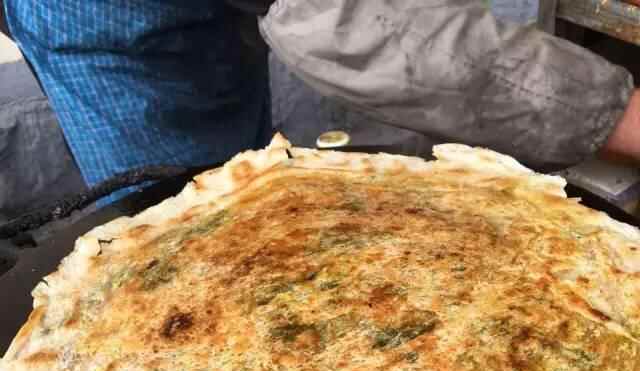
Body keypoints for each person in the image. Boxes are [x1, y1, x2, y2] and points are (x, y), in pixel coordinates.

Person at [2, 0, 640, 195]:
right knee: (182, 227)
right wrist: (611, 113)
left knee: (243, 183)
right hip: (109, 17)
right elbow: (348, 22)